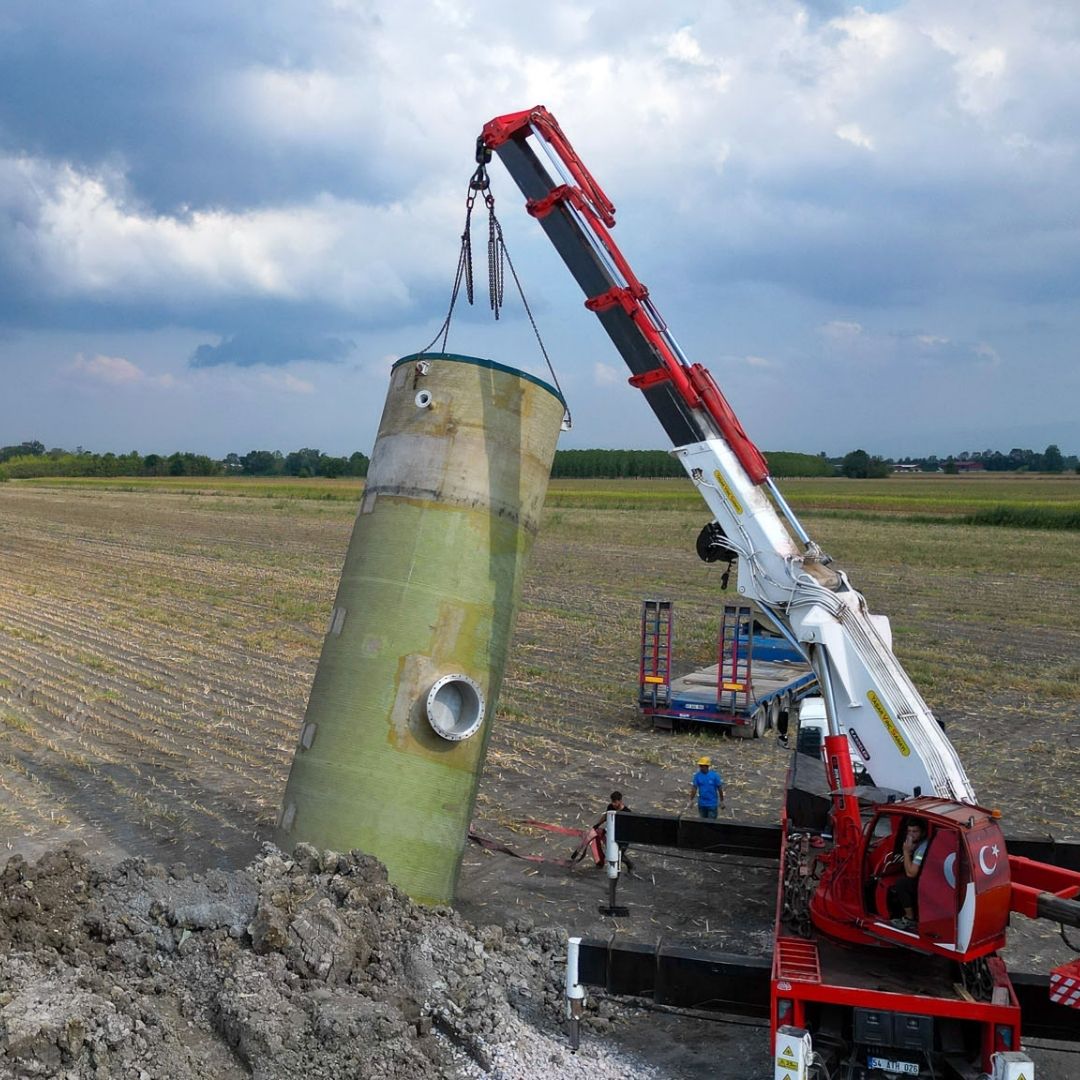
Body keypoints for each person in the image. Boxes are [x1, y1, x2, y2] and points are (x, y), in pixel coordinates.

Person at [889, 820, 929, 931]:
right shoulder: (920, 844)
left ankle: (910, 919)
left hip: (925, 882)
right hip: (926, 876)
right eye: (909, 831)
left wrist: (906, 852)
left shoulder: (921, 850)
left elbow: (911, 873)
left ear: (923, 832)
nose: (911, 834)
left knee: (902, 883)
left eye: (915, 831)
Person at [597, 790, 634, 874]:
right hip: (614, 835)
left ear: (620, 801)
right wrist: (597, 824)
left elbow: (630, 827)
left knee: (618, 854)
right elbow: (606, 816)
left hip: (624, 837)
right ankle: (618, 870)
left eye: (615, 802)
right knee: (613, 853)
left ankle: (628, 866)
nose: (613, 804)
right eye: (612, 802)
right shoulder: (610, 807)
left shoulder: (627, 813)